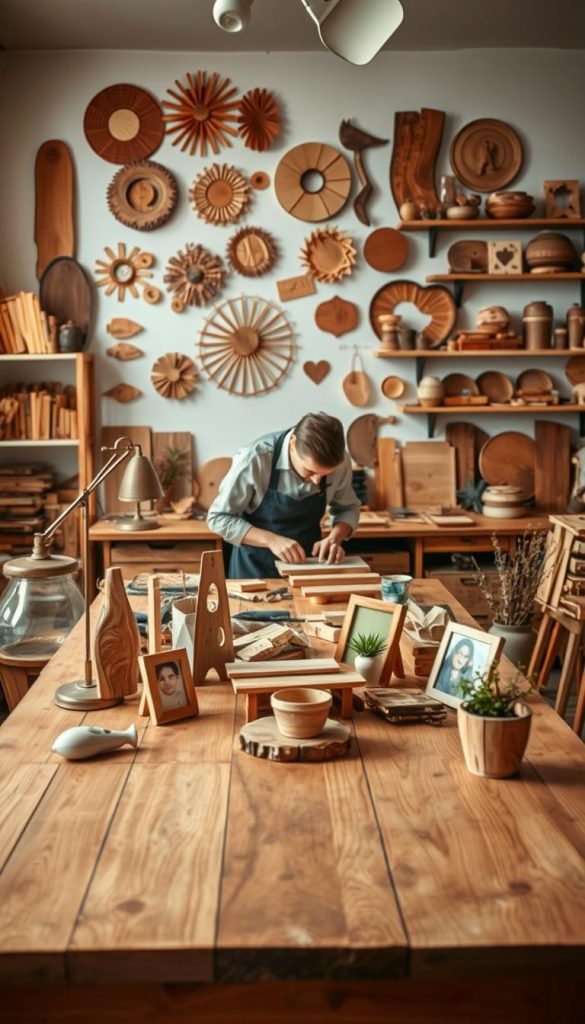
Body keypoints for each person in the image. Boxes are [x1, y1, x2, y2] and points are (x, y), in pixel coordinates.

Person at [207, 412, 361, 579]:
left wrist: (334, 537)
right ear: (293, 445)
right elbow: (218, 518)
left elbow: (348, 508)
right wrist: (270, 540)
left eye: (325, 474)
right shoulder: (255, 458)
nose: (317, 481)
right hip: (254, 570)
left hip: (308, 567)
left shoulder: (340, 460)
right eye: (310, 471)